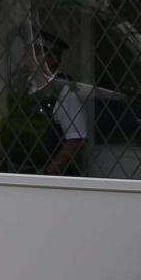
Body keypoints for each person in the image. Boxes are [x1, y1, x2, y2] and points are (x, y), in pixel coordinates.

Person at [23, 30, 92, 175]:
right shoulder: (24, 85)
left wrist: (48, 173)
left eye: (36, 55)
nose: (29, 58)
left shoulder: (65, 91)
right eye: (31, 53)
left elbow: (76, 139)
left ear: (53, 60)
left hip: (51, 178)